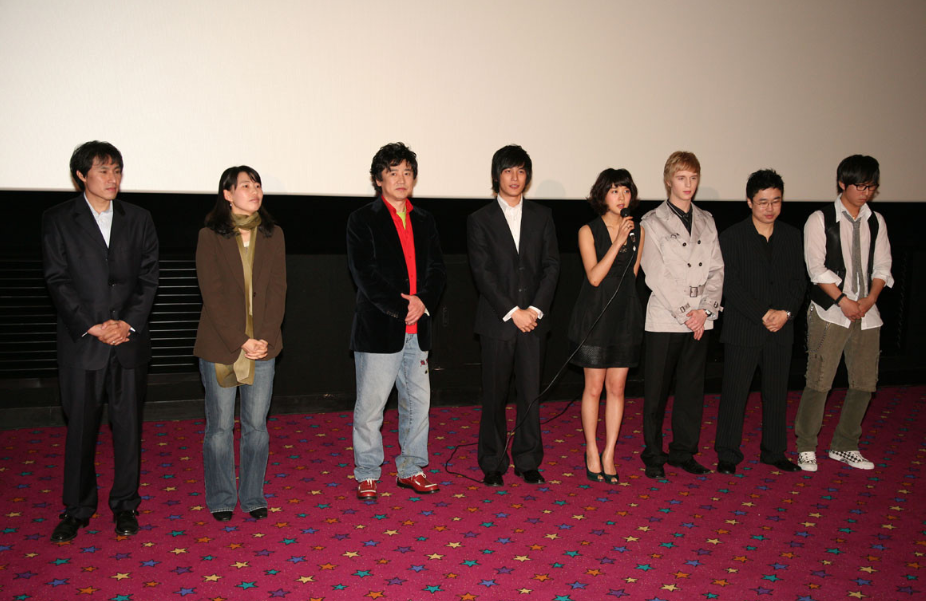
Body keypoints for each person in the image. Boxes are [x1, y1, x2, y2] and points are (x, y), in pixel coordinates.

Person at [42, 141, 159, 541]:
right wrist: (92, 325)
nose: (112, 178)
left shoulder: (139, 218)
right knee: (80, 429)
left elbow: (149, 277)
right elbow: (57, 279)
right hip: (83, 343)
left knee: (128, 428)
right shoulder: (58, 218)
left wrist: (127, 323)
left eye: (117, 170)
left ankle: (126, 505)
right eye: (103, 170)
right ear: (81, 175)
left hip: (128, 341)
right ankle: (77, 509)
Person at [347, 142, 446, 500]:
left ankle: (412, 468)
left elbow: (437, 269)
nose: (401, 179)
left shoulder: (425, 220)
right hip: (380, 327)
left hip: (419, 328)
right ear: (378, 179)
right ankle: (367, 472)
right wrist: (402, 307)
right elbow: (365, 274)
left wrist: (424, 301)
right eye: (393, 172)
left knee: (418, 404)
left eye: (407, 172)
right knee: (371, 407)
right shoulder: (362, 219)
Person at [193, 166, 286, 522]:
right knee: (219, 427)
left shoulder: (273, 235)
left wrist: (264, 338)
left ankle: (252, 495)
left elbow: (278, 291)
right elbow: (212, 296)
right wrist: (241, 340)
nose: (255, 190)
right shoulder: (209, 236)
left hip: (263, 345)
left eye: (258, 185)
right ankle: (221, 497)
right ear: (228, 194)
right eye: (246, 185)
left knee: (256, 426)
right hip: (222, 344)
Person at [467, 144, 560, 487]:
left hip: (534, 321)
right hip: (498, 322)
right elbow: (482, 273)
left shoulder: (542, 216)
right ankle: (492, 462)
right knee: (494, 396)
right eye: (508, 171)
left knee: (530, 394)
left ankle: (528, 459)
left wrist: (533, 310)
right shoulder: (479, 219)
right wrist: (512, 312)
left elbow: (552, 266)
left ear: (527, 176)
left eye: (521, 171)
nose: (515, 177)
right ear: (497, 176)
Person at [794, 155, 893, 472]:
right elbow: (815, 268)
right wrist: (844, 301)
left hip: (867, 312)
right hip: (830, 312)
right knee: (819, 380)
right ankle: (806, 446)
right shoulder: (820, 219)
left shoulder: (876, 221)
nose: (865, 193)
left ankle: (845, 445)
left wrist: (870, 299)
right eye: (860, 186)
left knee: (864, 383)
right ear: (842, 184)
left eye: (871, 187)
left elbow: (883, 265)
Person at [714, 169, 805, 475]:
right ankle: (727, 453)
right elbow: (731, 284)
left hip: (782, 328)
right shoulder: (732, 237)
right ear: (749, 202)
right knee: (735, 393)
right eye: (763, 201)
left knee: (777, 393)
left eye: (776, 201)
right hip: (744, 328)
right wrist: (763, 314)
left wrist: (786, 312)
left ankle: (774, 451)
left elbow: (799, 281)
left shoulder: (792, 236)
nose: (770, 208)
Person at [639, 151, 723, 479]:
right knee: (656, 392)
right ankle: (654, 456)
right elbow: (655, 273)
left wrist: (705, 310)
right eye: (681, 178)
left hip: (701, 317)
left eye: (693, 178)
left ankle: (683, 452)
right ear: (668, 181)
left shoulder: (707, 219)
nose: (688, 184)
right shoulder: (652, 221)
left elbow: (716, 269)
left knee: (691, 390)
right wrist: (688, 313)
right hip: (666, 316)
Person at [566, 169, 644, 484]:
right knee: (594, 387)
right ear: (602, 195)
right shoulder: (588, 230)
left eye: (625, 190)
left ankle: (610, 452)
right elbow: (595, 277)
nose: (621, 197)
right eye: (614, 191)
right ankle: (592, 449)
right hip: (595, 316)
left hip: (625, 317)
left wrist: (628, 237)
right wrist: (619, 241)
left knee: (617, 388)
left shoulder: (638, 231)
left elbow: (632, 277)